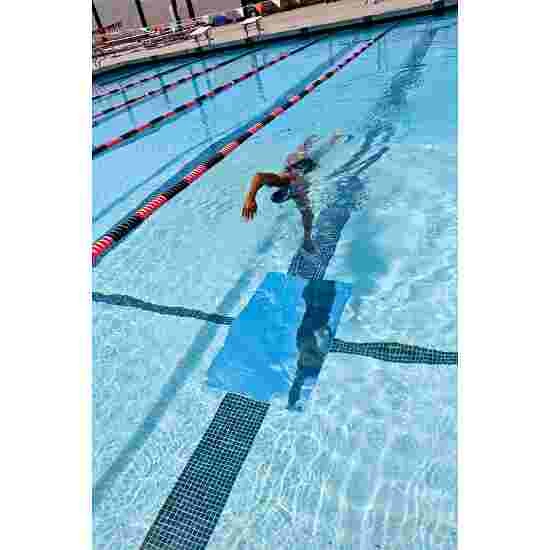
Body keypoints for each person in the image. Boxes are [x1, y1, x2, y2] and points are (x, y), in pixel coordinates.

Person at [241, 130, 351, 254]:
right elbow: (308, 216)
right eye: (287, 195)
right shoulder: (298, 196)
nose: (288, 193)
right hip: (307, 168)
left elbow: (259, 176)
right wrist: (307, 239)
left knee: (307, 152)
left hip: (299, 162)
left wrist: (250, 198)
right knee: (318, 151)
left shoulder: (283, 181)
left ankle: (322, 138)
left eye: (285, 192)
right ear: (287, 197)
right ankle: (323, 139)